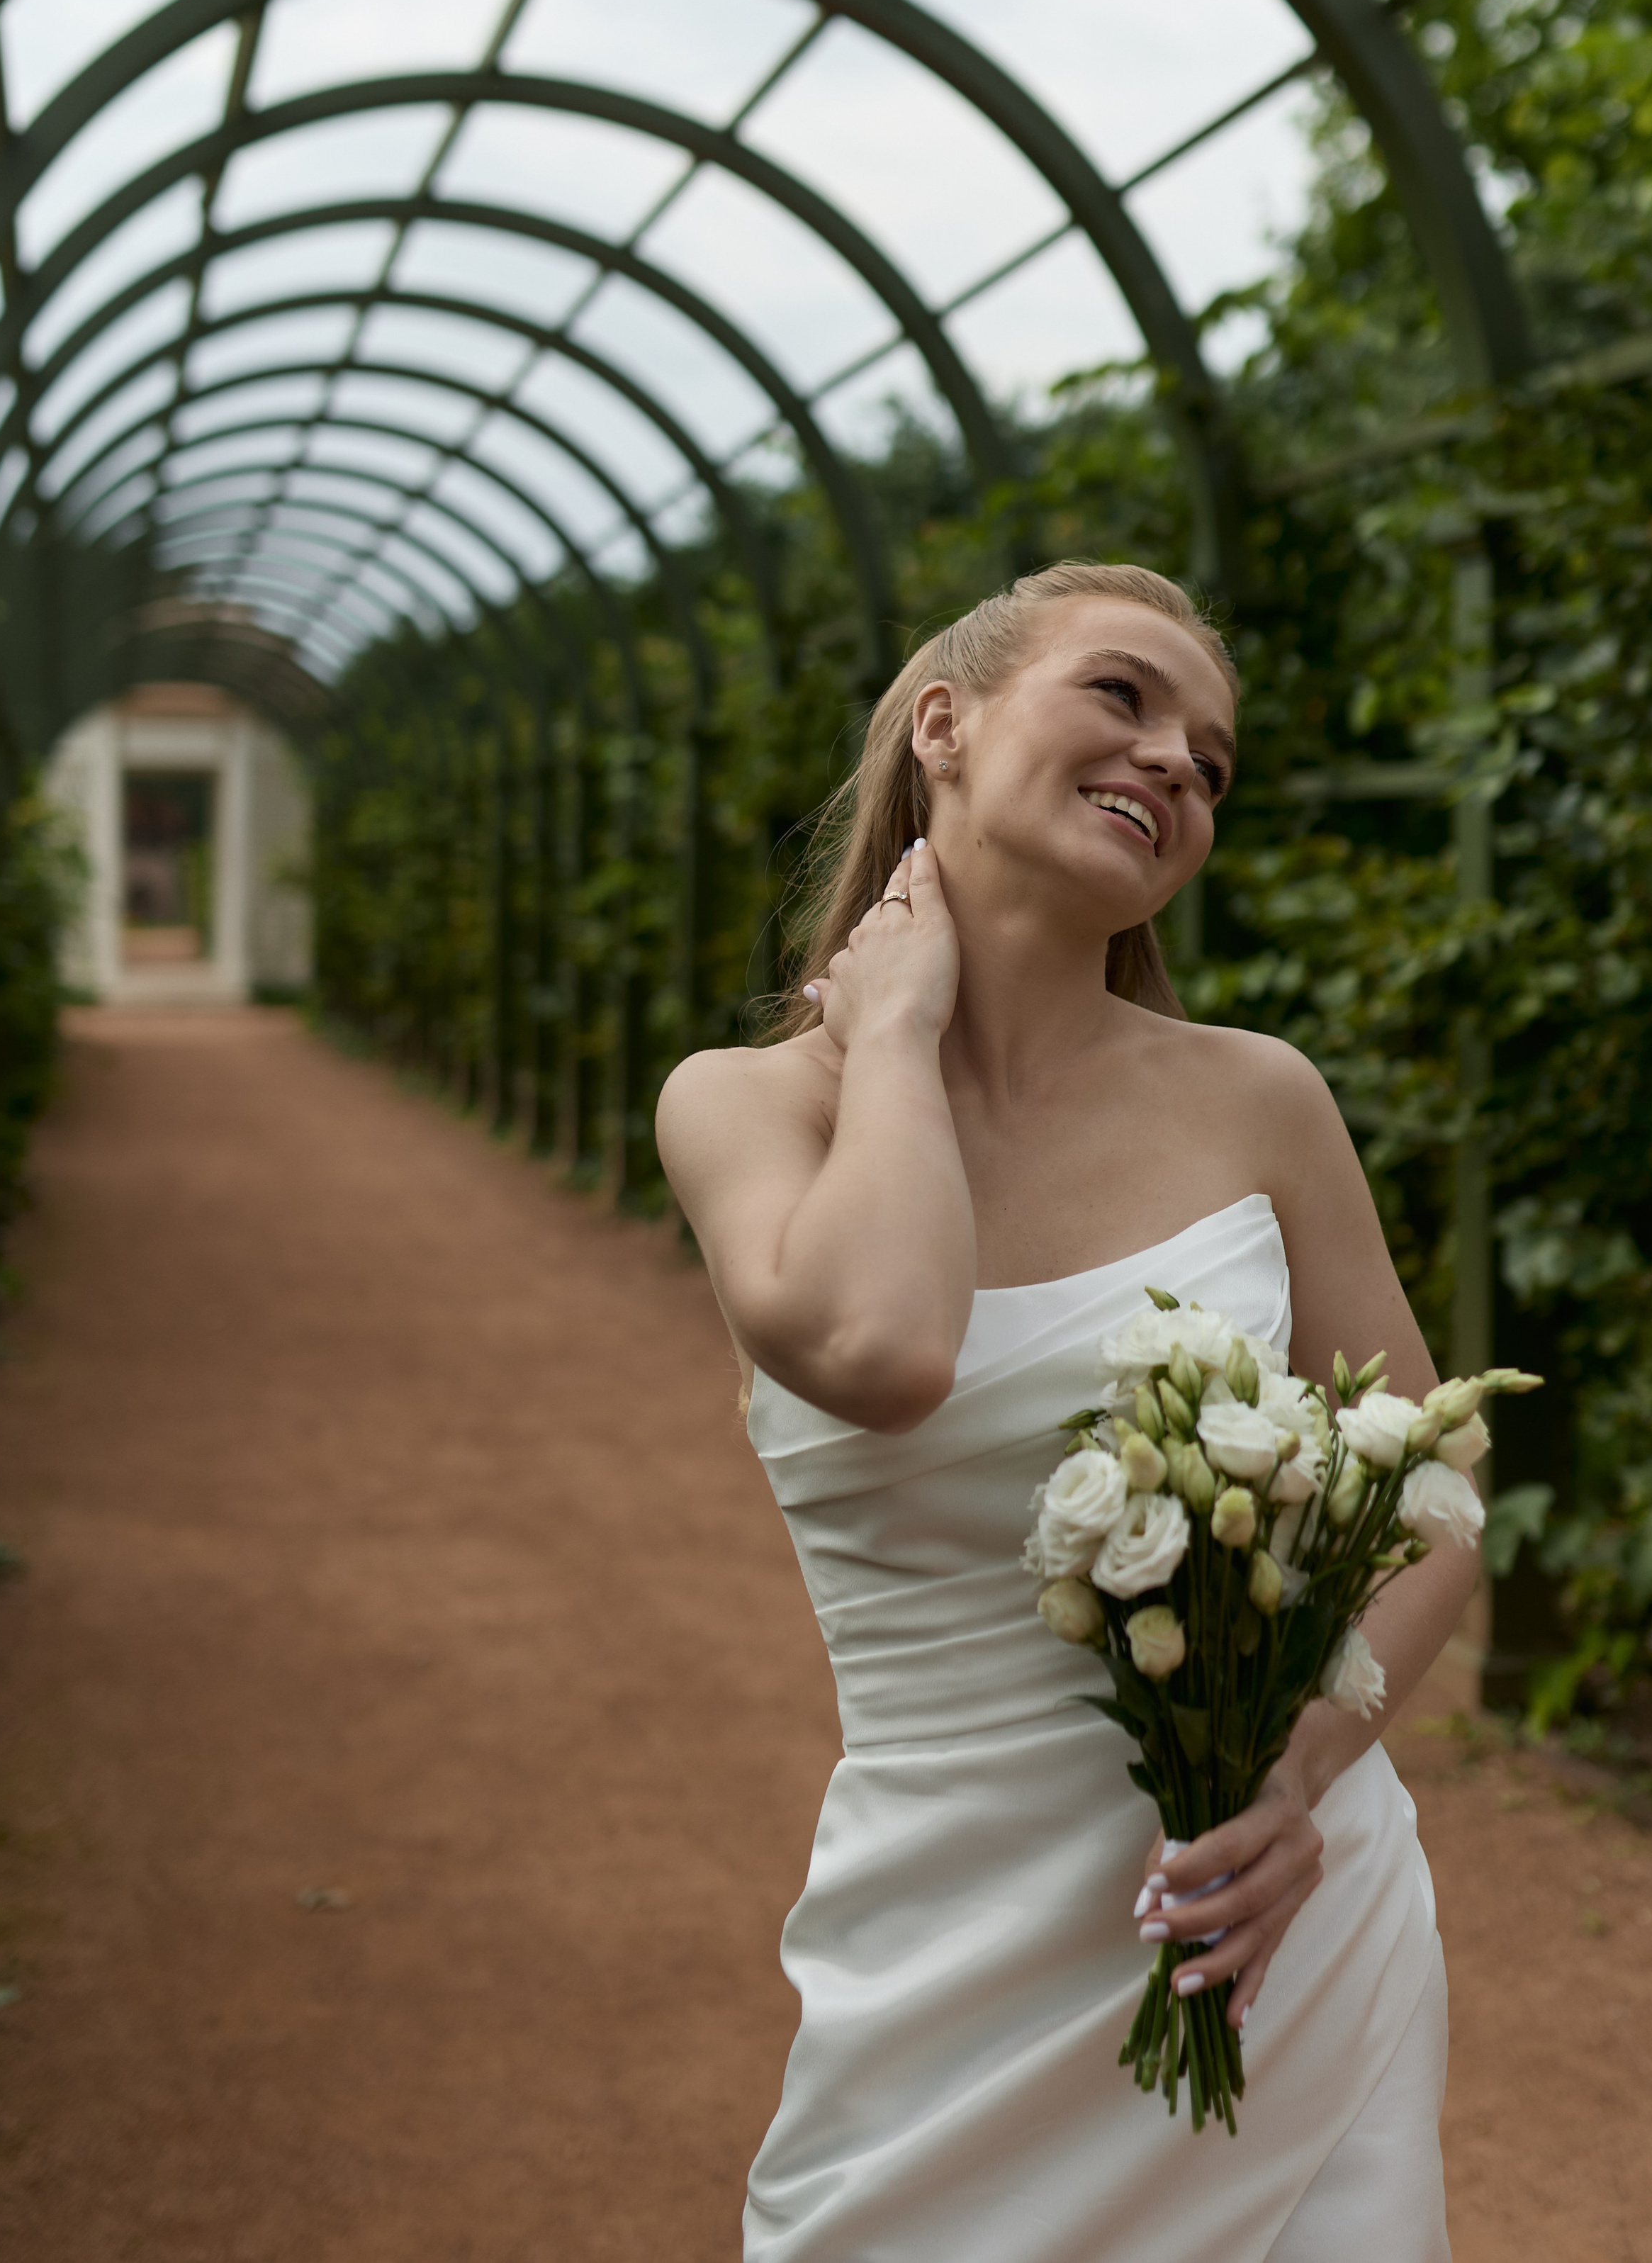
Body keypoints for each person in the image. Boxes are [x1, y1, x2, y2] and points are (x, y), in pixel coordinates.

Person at [656, 563, 1466, 2262]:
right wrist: (893, 1036)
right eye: (1122, 697)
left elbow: (1437, 1468)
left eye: (1212, 760)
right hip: (946, 1952)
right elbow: (883, 1348)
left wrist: (1301, 1781)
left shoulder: (1260, 1099)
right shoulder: (740, 1108)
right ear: (942, 727)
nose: (1175, 759)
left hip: (1271, 1933)